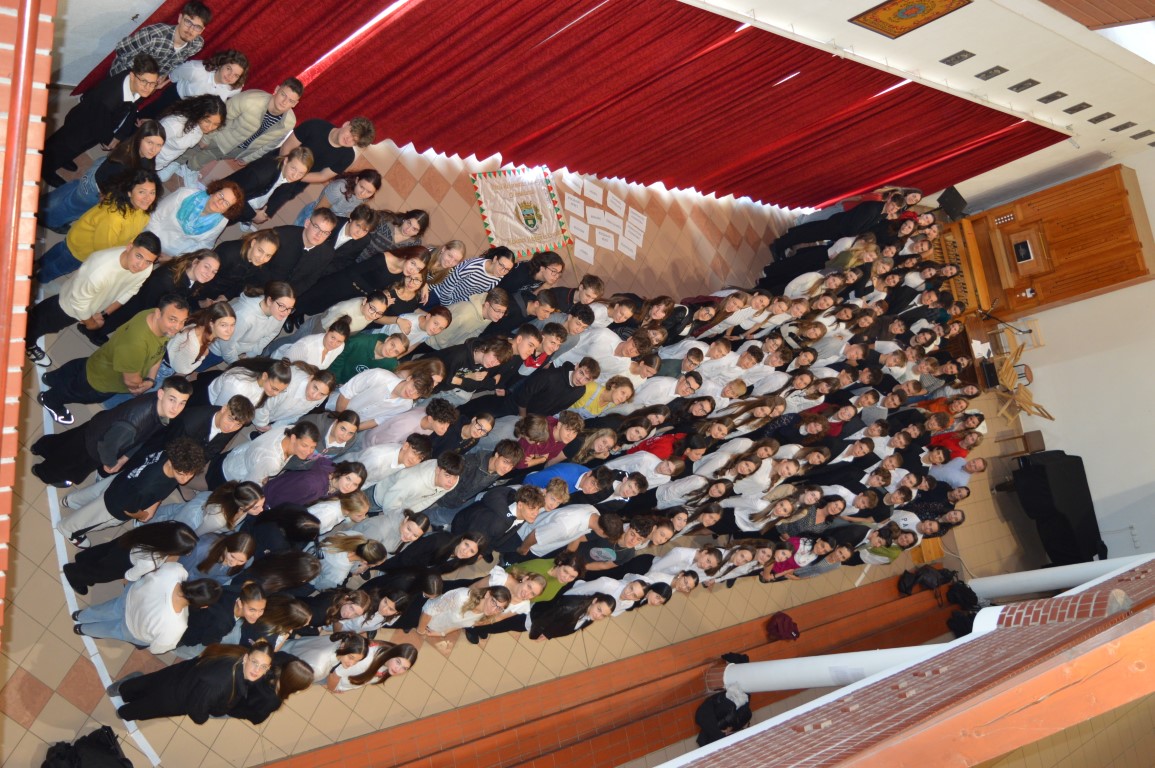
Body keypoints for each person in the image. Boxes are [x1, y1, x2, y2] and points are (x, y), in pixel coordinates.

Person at [38, 293, 190, 425]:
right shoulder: (136, 344)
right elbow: (131, 382)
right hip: (102, 381)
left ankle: (52, 378)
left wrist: (151, 378)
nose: (178, 327)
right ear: (158, 313)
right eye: (173, 319)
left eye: (182, 321)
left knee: (79, 367)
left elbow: (159, 350)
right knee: (76, 391)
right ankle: (49, 400)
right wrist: (147, 384)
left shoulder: (156, 320)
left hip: (101, 360)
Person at [30, 374, 193, 488]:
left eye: (182, 403)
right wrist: (111, 463)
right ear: (161, 393)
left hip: (98, 426)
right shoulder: (134, 423)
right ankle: (42, 472)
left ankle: (40, 447)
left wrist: (125, 458)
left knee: (65, 442)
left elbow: (143, 437)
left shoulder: (158, 406)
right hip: (93, 445)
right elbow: (106, 447)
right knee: (67, 463)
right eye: (172, 399)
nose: (176, 408)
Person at [26, 232, 162, 367]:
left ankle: (30, 321)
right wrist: (91, 324)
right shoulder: (99, 271)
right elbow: (78, 304)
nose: (141, 266)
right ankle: (28, 343)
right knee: (44, 322)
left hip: (88, 306)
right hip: (70, 306)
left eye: (148, 261)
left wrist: (104, 313)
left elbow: (131, 290)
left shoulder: (146, 268)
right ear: (129, 247)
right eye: (139, 256)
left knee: (45, 318)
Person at [58, 436, 207, 545]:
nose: (186, 479)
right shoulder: (149, 485)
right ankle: (68, 529)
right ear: (173, 463)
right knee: (91, 519)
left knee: (94, 493)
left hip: (121, 480)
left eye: (191, 473)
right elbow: (129, 509)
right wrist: (144, 516)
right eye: (182, 473)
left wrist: (156, 501)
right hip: (115, 506)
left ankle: (70, 501)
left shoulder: (168, 454)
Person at [41, 54, 162, 187]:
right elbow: (99, 124)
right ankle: (46, 168)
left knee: (78, 147)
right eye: (144, 81)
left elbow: (132, 110)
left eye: (152, 83)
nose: (148, 88)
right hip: (83, 124)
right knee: (63, 144)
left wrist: (119, 136)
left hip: (99, 123)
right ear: (132, 76)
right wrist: (109, 140)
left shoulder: (137, 85)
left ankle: (64, 158)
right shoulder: (109, 98)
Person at [37, 169, 162, 284]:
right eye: (142, 192)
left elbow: (134, 232)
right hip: (82, 249)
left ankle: (36, 265)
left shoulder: (142, 210)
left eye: (152, 192)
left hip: (78, 236)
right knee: (58, 267)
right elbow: (102, 247)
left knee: (59, 251)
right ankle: (38, 280)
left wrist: (130, 245)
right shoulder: (115, 218)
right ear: (129, 192)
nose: (148, 198)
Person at [74, 559, 221, 654]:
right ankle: (82, 629)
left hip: (129, 598)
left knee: (105, 609)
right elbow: (156, 649)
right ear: (203, 606)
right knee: (108, 630)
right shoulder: (177, 627)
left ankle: (80, 615)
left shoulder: (176, 571)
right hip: (132, 629)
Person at [110, 641, 274, 725]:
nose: (257, 670)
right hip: (177, 697)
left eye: (263, 666)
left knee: (148, 683)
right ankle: (124, 713)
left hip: (179, 674)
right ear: (246, 658)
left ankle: (121, 689)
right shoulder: (221, 684)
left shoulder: (235, 652)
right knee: (148, 706)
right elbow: (196, 709)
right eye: (255, 662)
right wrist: (202, 718)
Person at [181, 77, 303, 173]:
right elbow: (222, 115)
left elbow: (269, 145)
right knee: (190, 148)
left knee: (210, 156)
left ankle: (190, 168)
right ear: (276, 90)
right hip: (220, 136)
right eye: (283, 95)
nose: (284, 102)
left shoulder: (290, 122)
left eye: (291, 101)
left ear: (295, 104)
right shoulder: (251, 99)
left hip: (239, 149)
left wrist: (248, 158)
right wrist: (206, 137)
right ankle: (175, 163)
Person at [143, 179, 243, 259]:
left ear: (227, 210)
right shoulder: (185, 194)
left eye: (226, 203)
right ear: (214, 191)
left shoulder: (221, 223)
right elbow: (155, 216)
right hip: (150, 238)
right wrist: (151, 247)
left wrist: (174, 259)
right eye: (221, 195)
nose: (220, 201)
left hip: (172, 256)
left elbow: (203, 246)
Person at [110, 2, 211, 80]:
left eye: (197, 27)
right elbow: (121, 48)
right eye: (188, 22)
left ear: (202, 30)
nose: (191, 30)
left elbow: (173, 63)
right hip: (121, 77)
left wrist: (162, 76)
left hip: (147, 86)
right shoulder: (153, 35)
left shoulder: (196, 45)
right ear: (180, 18)